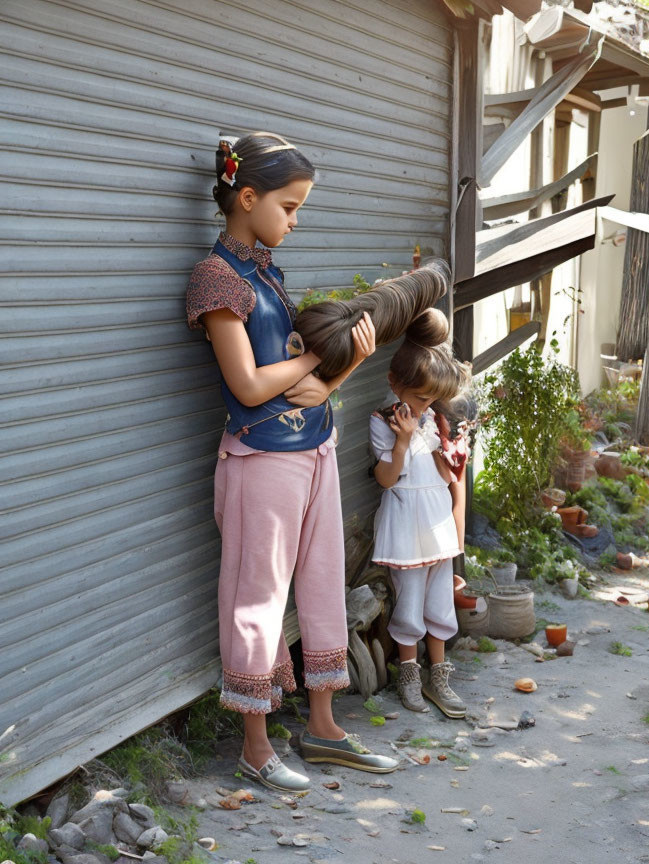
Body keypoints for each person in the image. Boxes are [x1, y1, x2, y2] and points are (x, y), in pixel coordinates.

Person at [186, 131, 399, 793]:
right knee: (257, 601)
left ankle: (324, 729)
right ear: (246, 197)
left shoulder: (266, 272)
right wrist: (316, 361)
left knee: (321, 583)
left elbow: (304, 385)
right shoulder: (216, 280)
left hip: (313, 450)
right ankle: (255, 745)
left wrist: (345, 370)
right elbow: (251, 385)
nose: (296, 219)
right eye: (289, 205)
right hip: (260, 461)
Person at [369, 308, 472, 717]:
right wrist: (402, 441)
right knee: (409, 602)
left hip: (436, 519)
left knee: (439, 601)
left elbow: (444, 474)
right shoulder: (385, 421)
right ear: (395, 383)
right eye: (421, 397)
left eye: (432, 400)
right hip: (406, 523)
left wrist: (451, 451)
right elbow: (386, 479)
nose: (427, 406)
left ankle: (439, 676)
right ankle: (410, 674)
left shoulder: (430, 418)